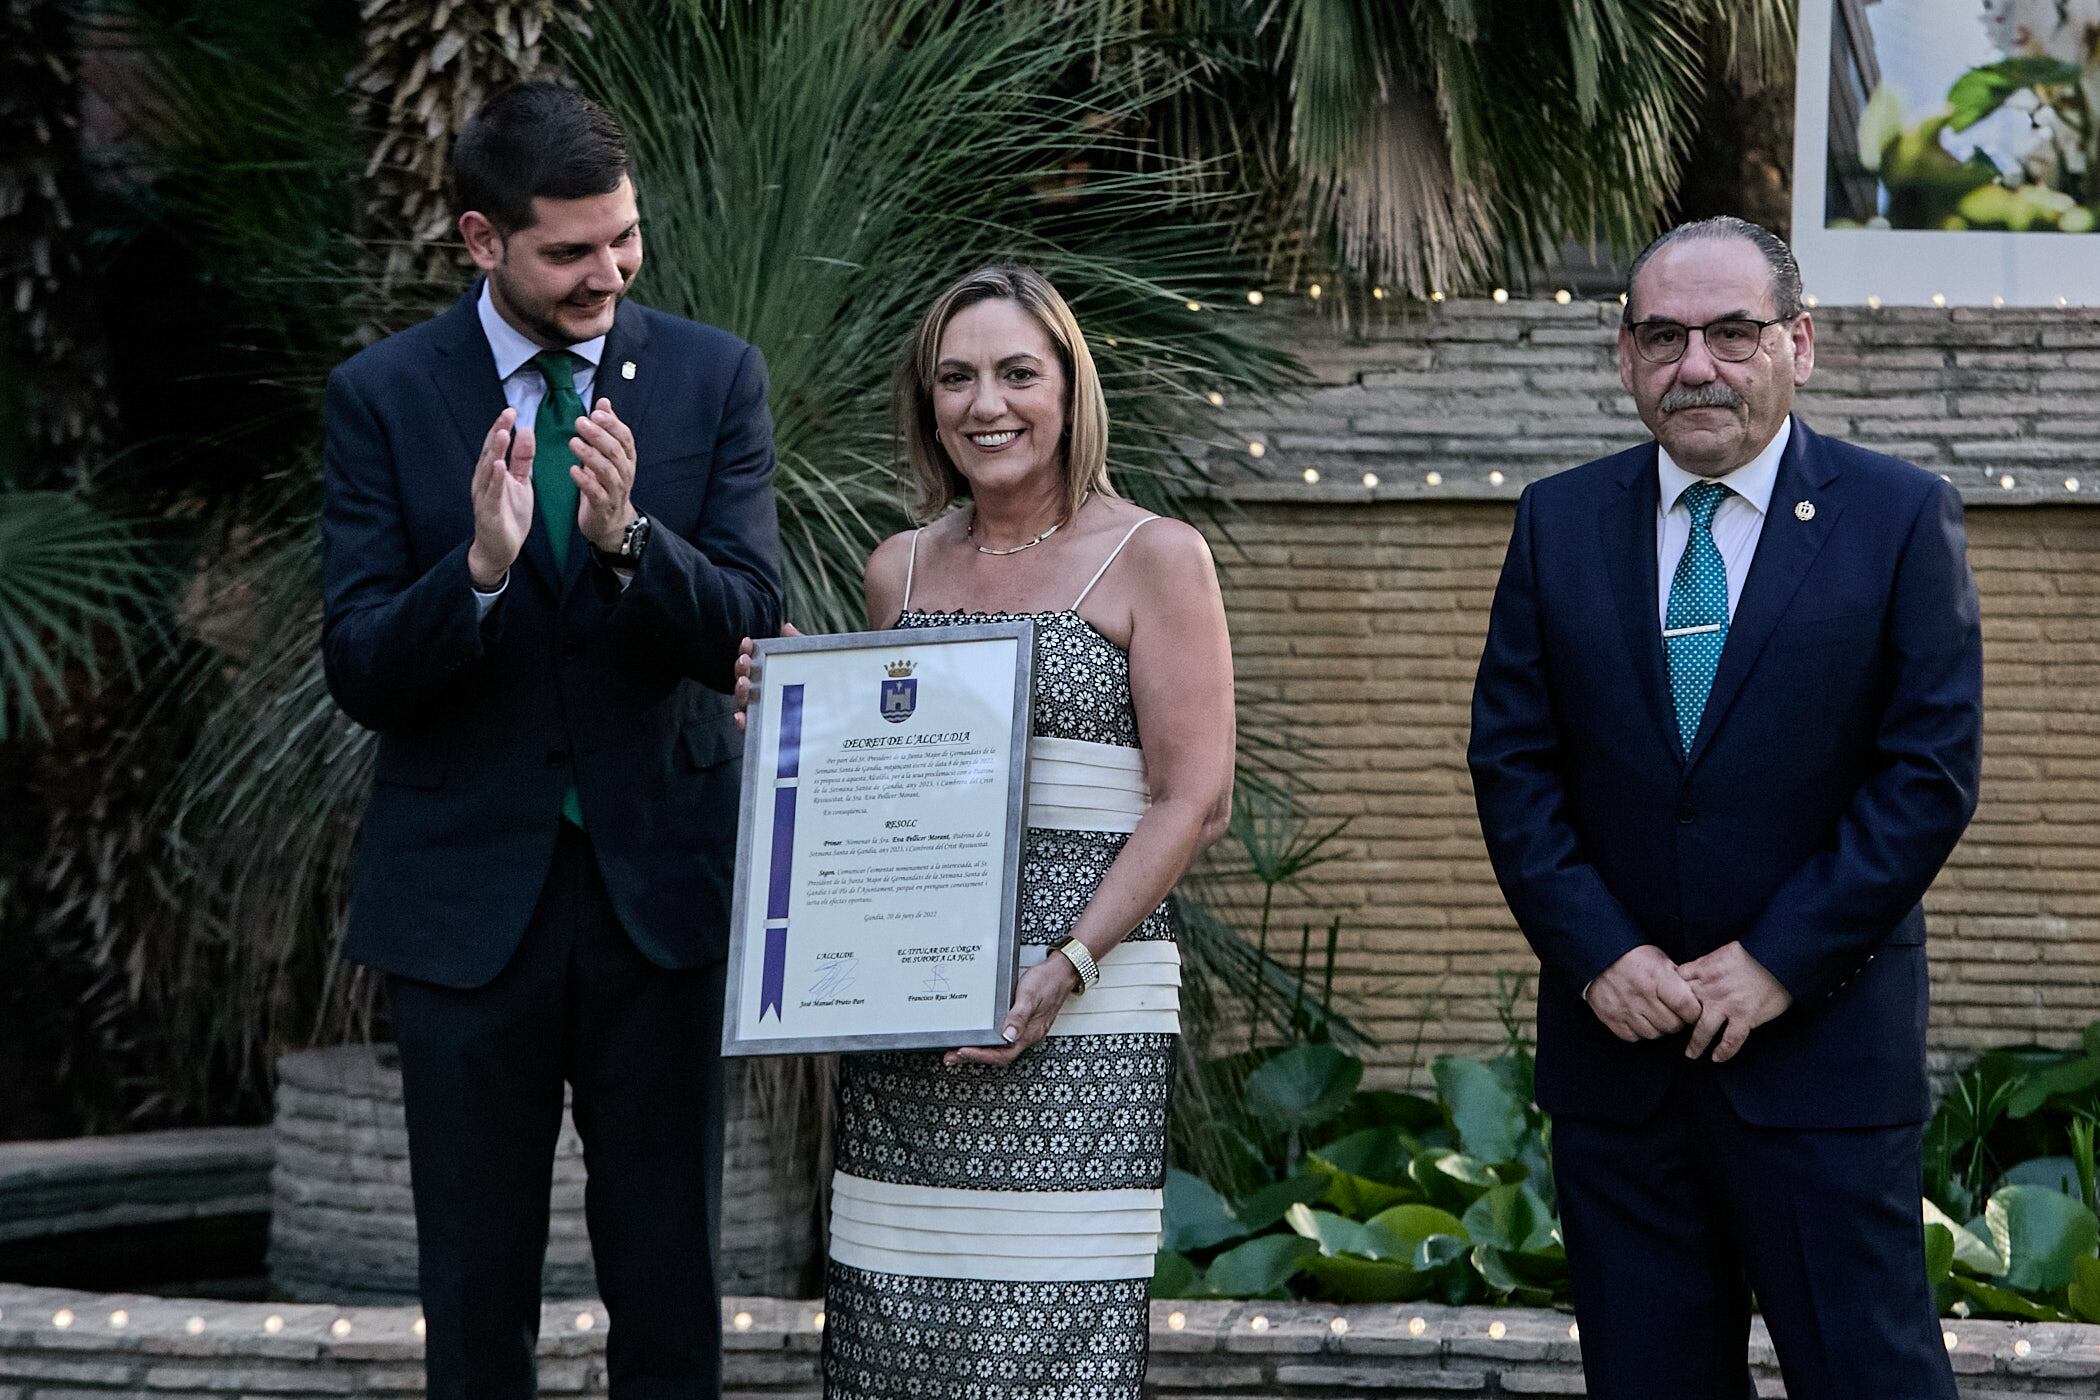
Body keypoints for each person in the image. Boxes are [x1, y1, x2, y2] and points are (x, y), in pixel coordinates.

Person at [1467, 216, 1983, 1399]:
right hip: (1620, 1068)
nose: (1695, 363)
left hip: (1821, 1061)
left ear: (1799, 341)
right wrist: (1601, 956)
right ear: (1624, 355)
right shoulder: (1557, 520)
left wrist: (1777, 960)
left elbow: (1929, 772)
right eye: (1664, 335)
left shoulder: (1901, 517)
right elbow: (1514, 762)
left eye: (1733, 332)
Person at [320, 82, 780, 1400]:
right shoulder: (383, 396)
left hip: (664, 900)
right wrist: (472, 569)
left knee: (671, 1285)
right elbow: (359, 665)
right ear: (482, 240)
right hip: (466, 913)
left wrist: (635, 542)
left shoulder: (712, 376)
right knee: (472, 1295)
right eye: (571, 252)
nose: (609, 274)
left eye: (623, 240)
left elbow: (749, 619)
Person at [735, 264, 1235, 1398]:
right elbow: (881, 783)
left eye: (1018, 371)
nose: (985, 403)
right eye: (955, 377)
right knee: (892, 1331)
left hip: (1081, 1008)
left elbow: (1195, 797)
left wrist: (1063, 965)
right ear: (928, 402)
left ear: (1070, 387)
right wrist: (797, 713)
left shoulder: (1153, 555)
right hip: (909, 1018)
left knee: (1052, 1341)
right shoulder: (896, 567)